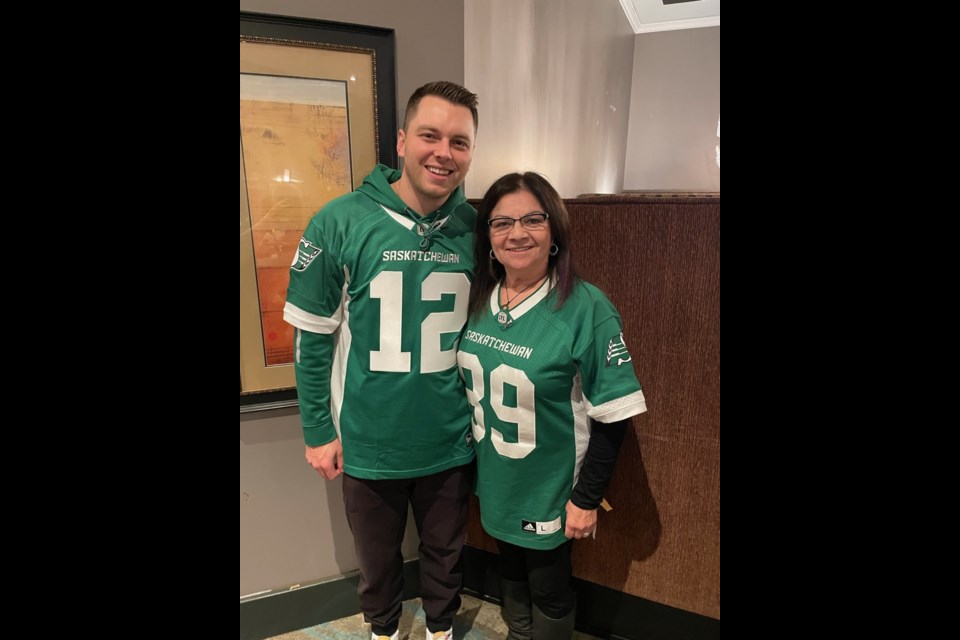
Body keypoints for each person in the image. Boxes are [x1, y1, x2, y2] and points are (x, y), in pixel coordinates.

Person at [284, 81, 479, 640]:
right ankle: (384, 632)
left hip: (449, 437)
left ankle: (440, 632)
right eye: (430, 135)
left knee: (446, 555)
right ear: (401, 141)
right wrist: (318, 430)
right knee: (377, 564)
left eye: (459, 142)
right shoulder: (340, 220)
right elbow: (312, 336)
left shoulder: (477, 229)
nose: (444, 152)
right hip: (368, 439)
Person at [456, 172, 647, 640]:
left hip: (549, 488)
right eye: (501, 223)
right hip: (497, 479)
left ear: (554, 230)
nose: (516, 233)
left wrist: (584, 499)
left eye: (532, 219)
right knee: (512, 573)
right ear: (488, 238)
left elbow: (614, 415)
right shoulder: (480, 296)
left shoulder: (586, 307)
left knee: (549, 588)